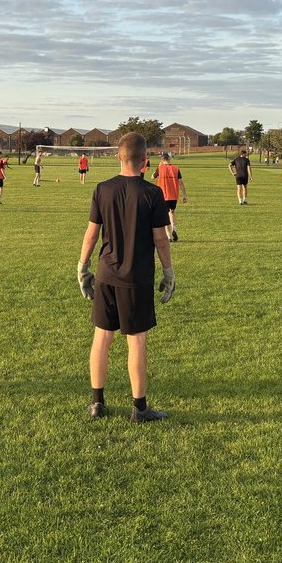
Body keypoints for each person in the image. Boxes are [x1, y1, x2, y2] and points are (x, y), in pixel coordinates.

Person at [77, 132, 173, 423]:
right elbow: (161, 239)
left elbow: (92, 233)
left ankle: (97, 403)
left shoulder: (102, 188)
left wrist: (82, 266)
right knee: (136, 341)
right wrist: (169, 272)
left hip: (107, 275)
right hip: (136, 278)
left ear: (119, 156)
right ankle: (139, 408)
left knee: (102, 338)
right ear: (146, 160)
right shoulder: (152, 193)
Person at [152, 152, 186, 241]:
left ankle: (168, 236)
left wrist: (158, 167)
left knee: (165, 214)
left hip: (163, 196)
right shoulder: (176, 168)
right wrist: (185, 195)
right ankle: (174, 229)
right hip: (174, 195)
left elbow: (152, 177)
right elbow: (181, 182)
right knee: (172, 213)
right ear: (169, 159)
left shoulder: (160, 168)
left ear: (162, 160)